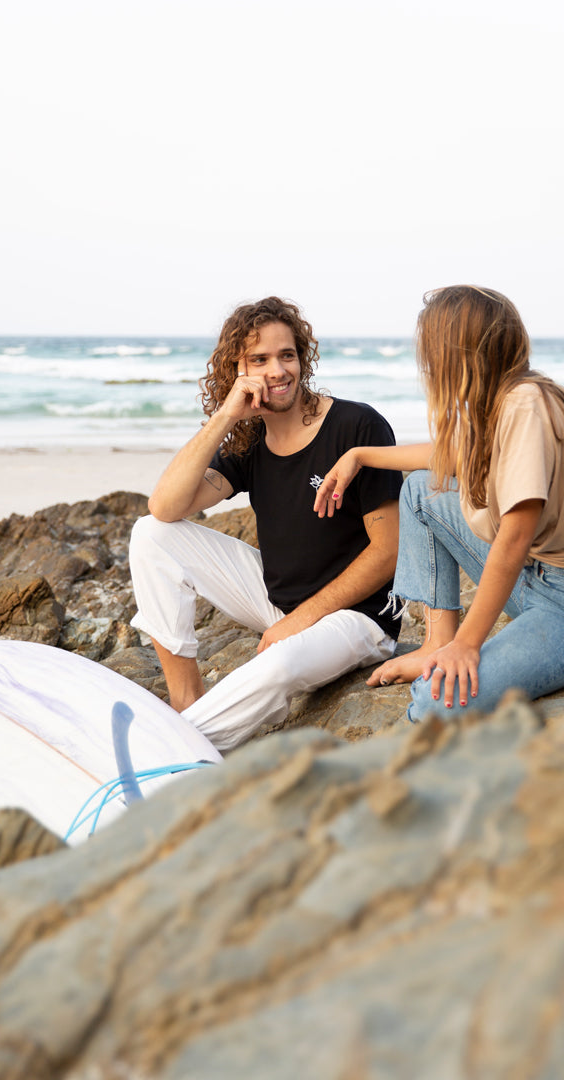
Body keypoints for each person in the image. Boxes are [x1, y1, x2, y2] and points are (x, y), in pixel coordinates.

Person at [314, 285, 564, 722]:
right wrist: (358, 455)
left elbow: (515, 535)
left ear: (457, 353)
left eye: (431, 348)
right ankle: (436, 642)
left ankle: (450, 649)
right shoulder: (500, 401)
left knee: (434, 701)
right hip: (537, 578)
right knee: (420, 491)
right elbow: (443, 457)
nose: (426, 362)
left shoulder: (525, 403)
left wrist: (469, 644)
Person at [128, 296, 403, 751]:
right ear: (238, 371)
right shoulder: (250, 438)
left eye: (287, 355)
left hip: (359, 620)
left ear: (302, 358)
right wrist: (226, 416)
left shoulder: (357, 426)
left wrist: (301, 622)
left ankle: (175, 749)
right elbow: (165, 507)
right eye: (260, 360)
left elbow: (388, 550)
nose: (277, 370)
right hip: (280, 604)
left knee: (277, 665)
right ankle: (185, 701)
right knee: (150, 534)